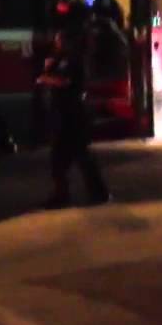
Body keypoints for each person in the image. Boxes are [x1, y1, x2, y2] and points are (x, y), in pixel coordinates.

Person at [37, 19, 111, 208]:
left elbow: (66, 82)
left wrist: (46, 78)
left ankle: (96, 193)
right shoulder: (60, 59)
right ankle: (70, 194)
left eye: (59, 39)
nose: (56, 42)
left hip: (73, 116)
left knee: (79, 158)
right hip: (63, 116)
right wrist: (48, 67)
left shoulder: (75, 61)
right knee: (64, 160)